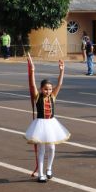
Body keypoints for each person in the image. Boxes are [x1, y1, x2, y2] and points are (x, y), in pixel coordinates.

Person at [25, 55, 70, 183]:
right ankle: (40, 174)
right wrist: (32, 69)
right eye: (46, 89)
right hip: (40, 125)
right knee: (41, 150)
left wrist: (62, 70)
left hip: (51, 124)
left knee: (52, 148)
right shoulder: (37, 97)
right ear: (41, 89)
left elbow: (60, 83)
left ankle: (49, 168)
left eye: (50, 89)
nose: (48, 91)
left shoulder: (53, 96)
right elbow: (32, 84)